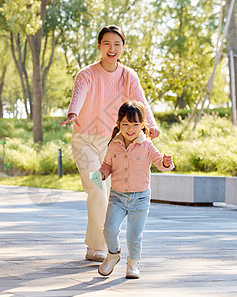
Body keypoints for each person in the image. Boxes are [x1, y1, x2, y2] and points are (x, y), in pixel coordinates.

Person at [60, 25, 161, 262]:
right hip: (85, 142)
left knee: (103, 194)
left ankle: (94, 245)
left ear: (123, 47)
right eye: (107, 44)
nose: (112, 49)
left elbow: (140, 101)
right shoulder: (86, 74)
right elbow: (80, 94)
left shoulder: (128, 75)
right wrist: (73, 113)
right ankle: (99, 247)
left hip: (113, 143)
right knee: (97, 189)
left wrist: (151, 124)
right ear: (99, 46)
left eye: (117, 44)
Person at [97, 101, 174, 279]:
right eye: (125, 124)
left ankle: (133, 264)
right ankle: (113, 254)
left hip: (140, 199)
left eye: (135, 125)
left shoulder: (146, 145)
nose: (130, 129)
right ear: (118, 124)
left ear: (143, 125)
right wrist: (100, 174)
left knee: (134, 235)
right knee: (109, 229)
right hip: (117, 197)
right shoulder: (113, 145)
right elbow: (107, 165)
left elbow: (159, 161)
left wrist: (166, 162)